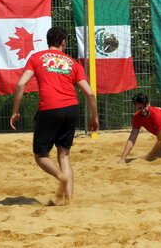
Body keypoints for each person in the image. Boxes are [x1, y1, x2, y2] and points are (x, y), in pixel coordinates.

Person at [10, 26, 99, 205]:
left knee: (41, 156)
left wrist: (15, 111)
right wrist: (94, 117)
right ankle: (70, 200)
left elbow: (20, 85)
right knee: (64, 155)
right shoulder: (73, 63)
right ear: (64, 42)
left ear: (47, 41)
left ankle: (60, 176)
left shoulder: (36, 58)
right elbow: (89, 93)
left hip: (49, 108)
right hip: (71, 108)